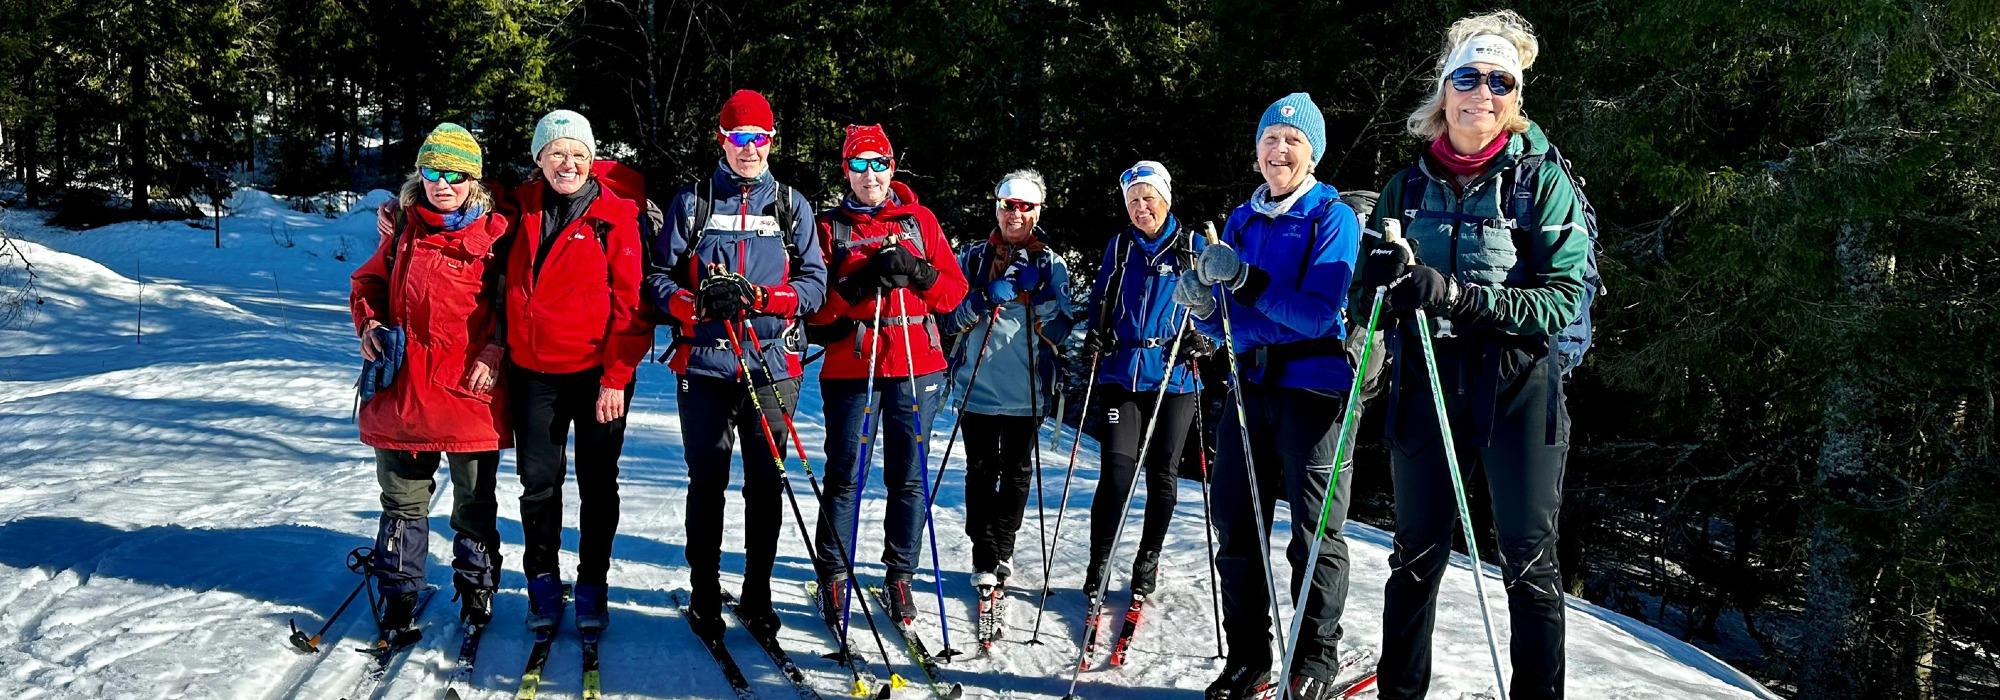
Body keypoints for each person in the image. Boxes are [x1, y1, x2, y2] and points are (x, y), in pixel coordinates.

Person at [1365, 11, 1588, 700]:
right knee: (1415, 554)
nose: (1482, 93)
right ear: (1444, 88)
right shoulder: (1406, 187)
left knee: (1526, 559)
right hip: (1427, 379)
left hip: (1518, 384)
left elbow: (1561, 300)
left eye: (1500, 81)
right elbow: (1374, 288)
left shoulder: (1540, 182)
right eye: (1469, 76)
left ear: (1515, 97)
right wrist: (1377, 283)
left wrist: (1457, 296)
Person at [1171, 93, 1365, 699]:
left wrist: (1245, 287)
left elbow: (1318, 314)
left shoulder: (1333, 217)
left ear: (1313, 152)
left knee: (1314, 533)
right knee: (1236, 524)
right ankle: (1249, 658)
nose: (1279, 151)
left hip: (1317, 389)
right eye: (1270, 139)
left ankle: (1314, 663)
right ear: (1256, 149)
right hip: (1249, 387)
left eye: (1293, 141)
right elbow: (1227, 319)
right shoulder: (1240, 219)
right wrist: (1201, 308)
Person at [644, 89, 827, 637]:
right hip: (704, 365)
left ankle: (757, 591)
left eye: (759, 138)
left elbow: (815, 284)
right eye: (738, 137)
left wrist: (764, 300)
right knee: (707, 482)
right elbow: (656, 278)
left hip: (772, 366)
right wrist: (691, 302)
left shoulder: (792, 205)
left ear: (772, 141)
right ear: (721, 139)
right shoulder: (694, 202)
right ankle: (704, 591)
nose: (749, 148)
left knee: (766, 484)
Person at [348, 122, 511, 638]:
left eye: (456, 174)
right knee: (402, 499)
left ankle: (477, 588)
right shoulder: (400, 231)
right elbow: (368, 282)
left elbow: (514, 304)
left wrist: (494, 349)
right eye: (433, 171)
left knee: (474, 503)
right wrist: (368, 321)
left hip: (469, 391)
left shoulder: (497, 237)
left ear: (475, 181)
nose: (444, 184)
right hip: (402, 389)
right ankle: (399, 591)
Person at [806, 123, 969, 627]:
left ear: (892, 168)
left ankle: (900, 576)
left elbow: (954, 293)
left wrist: (919, 272)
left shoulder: (919, 220)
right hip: (854, 367)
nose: (869, 174)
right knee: (845, 475)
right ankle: (833, 577)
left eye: (878, 163)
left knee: (909, 478)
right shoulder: (828, 226)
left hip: (917, 365)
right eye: (859, 164)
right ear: (846, 171)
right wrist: (857, 286)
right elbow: (813, 312)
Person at [503, 109, 653, 634]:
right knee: (537, 483)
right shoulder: (517, 206)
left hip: (597, 375)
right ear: (539, 158)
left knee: (597, 483)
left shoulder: (616, 216)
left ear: (592, 160)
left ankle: (592, 583)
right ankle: (542, 581)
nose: (568, 164)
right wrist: (401, 209)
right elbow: (456, 210)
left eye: (579, 155)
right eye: (557, 153)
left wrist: (616, 375)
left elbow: (633, 305)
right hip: (533, 374)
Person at [1074, 161, 1210, 609]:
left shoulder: (1192, 248)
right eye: (1133, 201)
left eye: (1148, 198)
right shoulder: (1120, 248)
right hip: (1123, 373)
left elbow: (1220, 309)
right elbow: (1100, 301)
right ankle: (1099, 563)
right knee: (1115, 472)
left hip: (1175, 376)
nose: (1141, 207)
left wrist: (1204, 339)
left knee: (1163, 477)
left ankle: (1147, 560)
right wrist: (1096, 332)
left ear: (1166, 199)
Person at [944, 169, 1074, 600]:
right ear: (997, 207)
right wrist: (981, 299)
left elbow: (1063, 330)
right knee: (980, 470)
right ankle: (984, 554)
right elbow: (947, 319)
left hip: (1028, 388)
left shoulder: (1051, 263)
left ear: (1038, 211)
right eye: (1007, 205)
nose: (1015, 215)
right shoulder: (972, 258)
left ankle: (1004, 546)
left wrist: (1043, 299)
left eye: (1025, 207)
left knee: (1017, 473)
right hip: (976, 384)